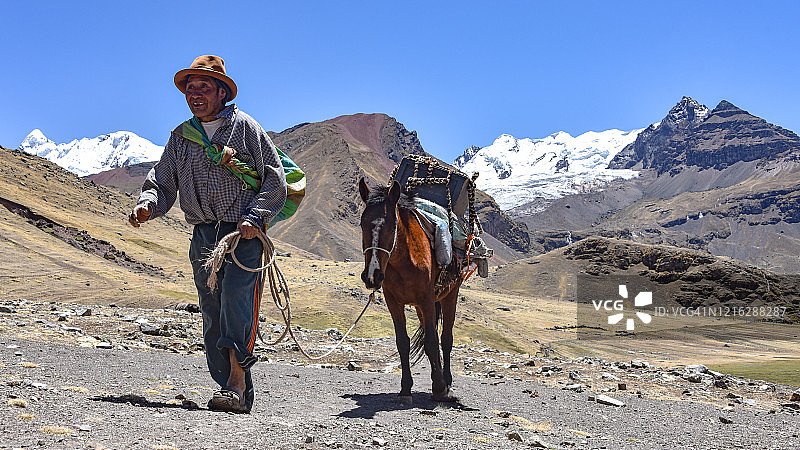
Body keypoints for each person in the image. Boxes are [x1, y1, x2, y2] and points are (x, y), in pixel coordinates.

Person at [128, 55, 287, 413]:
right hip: (203, 236)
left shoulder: (246, 128)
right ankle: (234, 385)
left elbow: (275, 180)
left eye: (203, 87)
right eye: (190, 88)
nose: (195, 94)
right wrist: (148, 204)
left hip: (242, 233)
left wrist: (255, 217)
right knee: (212, 309)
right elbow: (162, 181)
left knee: (236, 299)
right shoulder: (181, 137)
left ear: (221, 92)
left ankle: (235, 381)